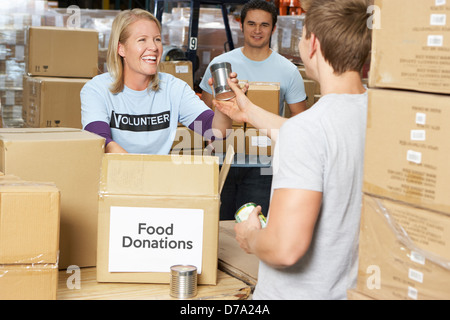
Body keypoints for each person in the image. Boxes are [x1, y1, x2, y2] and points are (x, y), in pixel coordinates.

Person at [213, 0, 372, 300]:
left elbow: (284, 248)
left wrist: (250, 237)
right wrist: (247, 111)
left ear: (312, 44)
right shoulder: (376, 114)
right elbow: (319, 138)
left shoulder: (309, 129)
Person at [199, 0, 307, 220]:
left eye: (264, 25)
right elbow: (205, 114)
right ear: (241, 25)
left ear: (273, 28)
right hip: (221, 161)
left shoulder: (288, 71)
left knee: (254, 229)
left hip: (263, 167)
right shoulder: (221, 65)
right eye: (251, 23)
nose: (257, 30)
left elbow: (300, 119)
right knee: (215, 229)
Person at [81, 8, 232, 154]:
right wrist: (142, 174)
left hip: (156, 176)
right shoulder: (96, 89)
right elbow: (100, 141)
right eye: (142, 40)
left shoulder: (174, 89)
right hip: (114, 175)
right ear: (121, 49)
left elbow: (216, 132)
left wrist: (223, 105)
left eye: (157, 39)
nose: (153, 47)